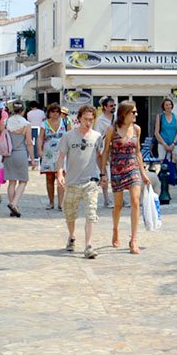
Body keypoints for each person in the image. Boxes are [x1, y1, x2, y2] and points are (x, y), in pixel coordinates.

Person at [58, 105, 102, 258]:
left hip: (90, 181)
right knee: (70, 214)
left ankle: (89, 245)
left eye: (91, 119)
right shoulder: (68, 136)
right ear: (79, 119)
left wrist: (103, 174)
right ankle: (72, 236)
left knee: (91, 213)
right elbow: (61, 156)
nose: (88, 122)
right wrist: (59, 173)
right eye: (86, 119)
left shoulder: (97, 136)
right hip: (72, 182)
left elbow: (99, 156)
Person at [103, 101, 147, 254]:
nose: (136, 115)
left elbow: (138, 152)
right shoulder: (112, 130)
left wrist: (143, 173)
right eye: (133, 112)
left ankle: (134, 239)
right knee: (118, 206)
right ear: (124, 114)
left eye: (136, 112)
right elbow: (105, 152)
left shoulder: (137, 129)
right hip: (117, 169)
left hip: (132, 167)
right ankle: (115, 229)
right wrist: (103, 172)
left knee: (135, 202)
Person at [153, 97, 177, 200]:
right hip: (162, 145)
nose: (168, 106)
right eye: (166, 105)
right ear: (163, 107)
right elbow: (156, 132)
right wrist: (164, 144)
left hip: (175, 145)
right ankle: (163, 191)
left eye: (170, 104)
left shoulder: (175, 117)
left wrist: (174, 143)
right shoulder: (160, 117)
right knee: (164, 168)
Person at [2, 101, 32, 217]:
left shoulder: (6, 122)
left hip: (8, 153)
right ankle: (14, 203)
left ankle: (12, 207)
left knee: (12, 182)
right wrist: (33, 159)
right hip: (21, 153)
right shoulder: (26, 124)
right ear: (23, 110)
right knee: (23, 180)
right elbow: (29, 143)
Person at [40, 103, 69, 211]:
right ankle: (51, 201)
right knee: (49, 178)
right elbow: (40, 137)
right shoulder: (44, 124)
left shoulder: (65, 122)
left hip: (62, 153)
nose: (55, 114)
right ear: (49, 112)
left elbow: (70, 136)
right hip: (48, 153)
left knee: (61, 177)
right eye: (53, 111)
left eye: (57, 112)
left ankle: (61, 203)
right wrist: (39, 149)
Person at [26, 100, 46, 166]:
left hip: (32, 130)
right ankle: (41, 158)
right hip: (41, 129)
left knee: (32, 144)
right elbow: (44, 120)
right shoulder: (42, 112)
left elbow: (28, 121)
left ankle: (33, 158)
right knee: (41, 144)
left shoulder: (29, 113)